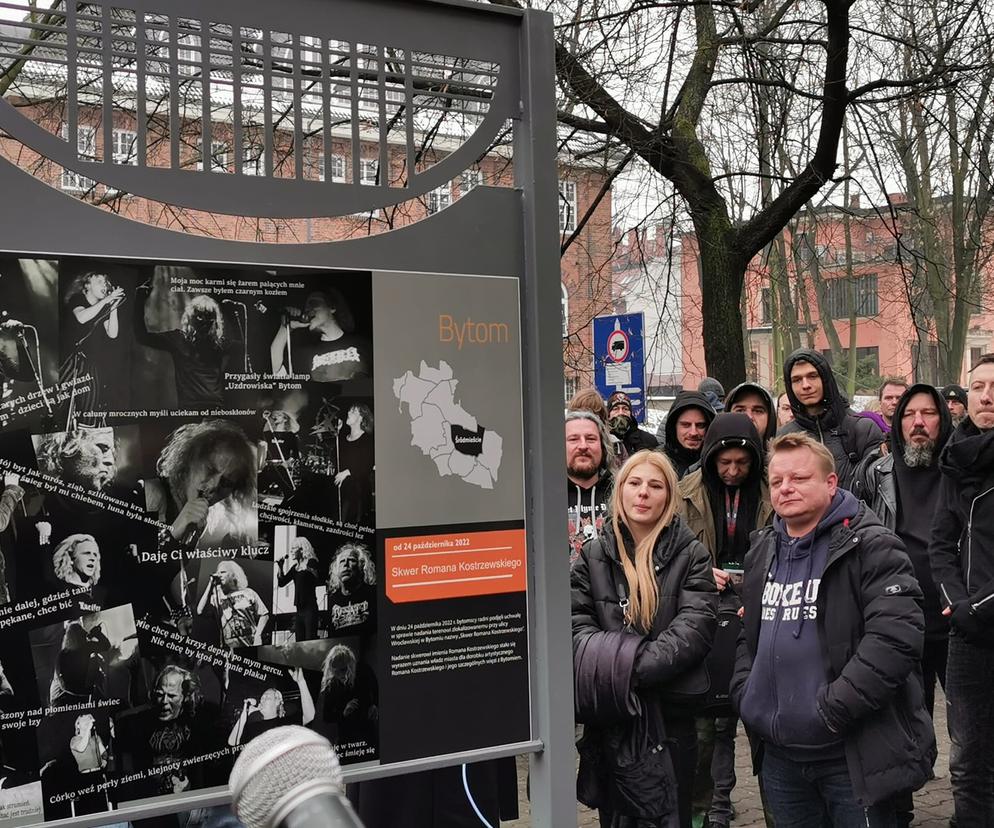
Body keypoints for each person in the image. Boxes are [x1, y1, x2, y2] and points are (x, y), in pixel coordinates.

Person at [731, 432, 933, 827]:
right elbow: (747, 635)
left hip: (850, 753)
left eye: (799, 478)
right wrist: (747, 696)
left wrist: (833, 710)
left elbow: (895, 638)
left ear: (830, 482)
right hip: (780, 757)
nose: (786, 488)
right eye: (777, 481)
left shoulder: (872, 545)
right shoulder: (761, 551)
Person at [572, 449, 718, 828]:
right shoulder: (592, 555)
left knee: (672, 816)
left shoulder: (692, 554)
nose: (643, 493)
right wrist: (621, 671)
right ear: (620, 491)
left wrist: (624, 669)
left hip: (671, 717)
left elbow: (695, 627)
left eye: (655, 486)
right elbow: (575, 626)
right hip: (613, 720)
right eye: (635, 484)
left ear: (668, 496)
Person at [856, 383, 953, 827]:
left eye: (928, 414)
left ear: (943, 420)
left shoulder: (961, 472)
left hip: (958, 619)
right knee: (900, 726)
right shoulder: (876, 474)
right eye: (910, 414)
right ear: (897, 423)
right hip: (897, 620)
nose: (918, 423)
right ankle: (899, 811)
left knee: (969, 729)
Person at [677, 414, 772, 828]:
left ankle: (781, 813)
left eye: (742, 463)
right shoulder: (684, 495)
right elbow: (670, 557)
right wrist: (701, 573)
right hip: (704, 618)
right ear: (710, 459)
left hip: (762, 618)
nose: (733, 472)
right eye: (724, 463)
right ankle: (703, 811)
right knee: (703, 730)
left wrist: (757, 583)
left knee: (763, 729)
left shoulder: (774, 493)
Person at [928, 353, 994, 826]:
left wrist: (982, 605)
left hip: (983, 614)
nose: (987, 396)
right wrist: (957, 602)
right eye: (978, 387)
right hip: (967, 634)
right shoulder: (954, 462)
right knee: (967, 757)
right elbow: (940, 542)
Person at [777, 348, 884, 492]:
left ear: (825, 378)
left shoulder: (863, 429)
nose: (805, 385)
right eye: (796, 380)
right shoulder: (785, 437)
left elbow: (878, 491)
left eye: (812, 376)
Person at [146, 419, 257, 550]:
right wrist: (173, 532)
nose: (214, 485)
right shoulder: (151, 495)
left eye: (226, 482)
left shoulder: (212, 517)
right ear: (188, 462)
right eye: (210, 470)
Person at [134, 285, 243, 408]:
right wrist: (139, 299)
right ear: (191, 318)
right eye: (200, 316)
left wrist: (235, 316)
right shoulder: (178, 339)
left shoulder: (218, 343)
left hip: (215, 410)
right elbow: (142, 337)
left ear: (214, 321)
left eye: (209, 318)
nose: (204, 322)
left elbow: (244, 348)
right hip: (190, 411)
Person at [270, 289, 371, 381]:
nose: (308, 310)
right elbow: (277, 372)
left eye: (314, 303)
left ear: (332, 307)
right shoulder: (306, 354)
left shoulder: (362, 343)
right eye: (306, 308)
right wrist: (286, 327)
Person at [60, 270, 126, 410]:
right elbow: (82, 317)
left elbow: (113, 334)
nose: (105, 285)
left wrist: (114, 306)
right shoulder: (77, 299)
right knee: (60, 403)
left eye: (106, 282)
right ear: (88, 285)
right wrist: (106, 300)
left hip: (91, 363)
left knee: (90, 407)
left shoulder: (103, 306)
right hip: (72, 360)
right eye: (100, 281)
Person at [565, 411, 613, 566]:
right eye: (573, 439)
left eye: (591, 439)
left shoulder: (622, 493)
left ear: (603, 446)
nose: (583, 446)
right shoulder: (543, 497)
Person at [227, 667, 315, 746]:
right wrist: (246, 713)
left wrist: (301, 682)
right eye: (262, 697)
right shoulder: (254, 726)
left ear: (277, 701)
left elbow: (310, 716)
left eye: (267, 697)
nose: (262, 700)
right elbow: (232, 741)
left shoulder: (285, 723)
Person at [315, 644, 379, 749]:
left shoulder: (363, 670)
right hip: (347, 735)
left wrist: (375, 705)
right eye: (336, 671)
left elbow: (376, 686)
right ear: (332, 669)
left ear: (350, 665)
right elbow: (327, 716)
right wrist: (343, 712)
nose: (341, 675)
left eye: (344, 669)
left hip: (367, 730)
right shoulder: (331, 686)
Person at [196, 560, 269, 650]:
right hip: (230, 649)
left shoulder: (248, 593)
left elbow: (264, 614)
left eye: (223, 572)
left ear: (233, 575)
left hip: (251, 643)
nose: (219, 575)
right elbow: (200, 611)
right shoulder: (217, 597)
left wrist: (258, 636)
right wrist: (210, 584)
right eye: (218, 573)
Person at [335, 403, 375, 524]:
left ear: (361, 418)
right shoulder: (343, 439)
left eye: (353, 412)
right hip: (343, 489)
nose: (348, 413)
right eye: (349, 410)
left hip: (358, 493)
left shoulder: (368, 440)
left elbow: (367, 464)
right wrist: (337, 433)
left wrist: (347, 472)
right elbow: (336, 459)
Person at [663, 391, 717, 479]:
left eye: (700, 425)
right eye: (686, 425)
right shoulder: (658, 464)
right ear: (674, 427)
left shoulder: (718, 465)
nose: (693, 433)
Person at [326, 542, 376, 636]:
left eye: (351, 560)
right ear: (336, 569)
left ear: (362, 566)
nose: (345, 564)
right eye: (341, 561)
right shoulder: (332, 599)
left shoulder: (374, 594)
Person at [569, 387, 627, 468]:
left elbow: (623, 477)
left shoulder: (616, 446)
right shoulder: (562, 445)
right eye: (580, 414)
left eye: (592, 415)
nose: (586, 419)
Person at [277, 537, 321, 641]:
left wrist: (307, 569)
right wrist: (280, 567)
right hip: (299, 610)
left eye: (293, 548)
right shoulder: (295, 568)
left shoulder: (311, 562)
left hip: (310, 609)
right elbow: (281, 583)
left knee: (310, 639)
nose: (291, 551)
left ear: (301, 549)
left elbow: (316, 578)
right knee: (299, 640)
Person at [50, 533, 101, 597]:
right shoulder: (60, 590)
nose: (92, 558)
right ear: (71, 559)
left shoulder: (101, 593)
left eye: (95, 554)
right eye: (87, 553)